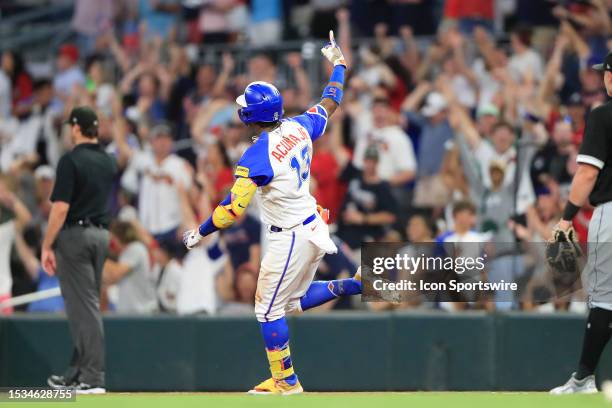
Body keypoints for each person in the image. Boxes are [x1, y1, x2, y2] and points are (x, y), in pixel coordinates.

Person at [182, 31, 362, 395]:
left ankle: (286, 381)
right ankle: (355, 283)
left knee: (267, 310)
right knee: (289, 301)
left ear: (250, 115)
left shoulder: (256, 156)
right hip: (312, 224)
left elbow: (232, 210)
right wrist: (340, 66)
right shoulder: (298, 125)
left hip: (290, 234)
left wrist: (199, 232)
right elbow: (330, 101)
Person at [41, 106, 118, 394]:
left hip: (75, 236)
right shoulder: (108, 161)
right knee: (84, 307)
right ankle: (76, 372)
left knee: (83, 309)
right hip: (101, 235)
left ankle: (93, 377)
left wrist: (47, 244)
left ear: (75, 128)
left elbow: (60, 209)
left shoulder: (70, 160)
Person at [550, 51, 612, 395]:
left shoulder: (603, 115)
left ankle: (583, 378)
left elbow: (588, 172)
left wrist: (566, 217)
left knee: (604, 297)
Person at [103, 221, 157, 314]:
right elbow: (109, 279)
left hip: (143, 312)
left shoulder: (136, 248)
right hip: (129, 312)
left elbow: (115, 274)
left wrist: (96, 254)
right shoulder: (124, 255)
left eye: (113, 239)